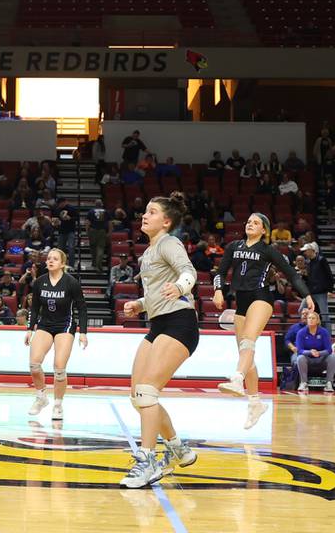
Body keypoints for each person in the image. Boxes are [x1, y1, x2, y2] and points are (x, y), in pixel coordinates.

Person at [119, 193, 199, 489]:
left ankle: (148, 459)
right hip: (158, 323)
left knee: (146, 393)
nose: (144, 215)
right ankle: (179, 449)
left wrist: (180, 287)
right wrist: (139, 305)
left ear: (166, 221)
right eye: (145, 211)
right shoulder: (148, 253)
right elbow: (155, 293)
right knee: (138, 398)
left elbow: (188, 272)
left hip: (180, 324)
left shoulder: (169, 243)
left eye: (151, 212)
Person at [213, 213, 313, 419]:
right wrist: (217, 289)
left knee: (248, 343)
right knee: (245, 353)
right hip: (240, 302)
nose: (250, 224)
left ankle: (237, 379)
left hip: (261, 298)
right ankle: (255, 403)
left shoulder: (268, 250)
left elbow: (291, 273)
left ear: (264, 230)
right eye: (248, 221)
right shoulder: (234, 247)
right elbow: (220, 272)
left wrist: (307, 295)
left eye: (255, 223)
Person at [23, 248, 87, 421]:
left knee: (59, 368)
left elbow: (82, 307)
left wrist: (83, 332)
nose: (50, 261)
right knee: (34, 364)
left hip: (65, 325)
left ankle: (58, 405)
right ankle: (41, 396)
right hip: (45, 324)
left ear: (62, 263)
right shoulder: (40, 282)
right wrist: (30, 329)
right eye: (49, 258)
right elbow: (35, 307)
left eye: (55, 259)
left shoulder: (71, 282)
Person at [291, 310, 334, 394]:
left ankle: (329, 383)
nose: (311, 320)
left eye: (313, 318)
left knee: (332, 357)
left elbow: (329, 350)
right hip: (308, 359)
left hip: (321, 359)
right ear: (307, 320)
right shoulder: (301, 332)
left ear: (317, 320)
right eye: (309, 318)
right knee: (300, 357)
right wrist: (310, 352)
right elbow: (300, 350)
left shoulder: (324, 332)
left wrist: (319, 353)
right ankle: (303, 383)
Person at [301, 242, 334, 328]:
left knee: (325, 315)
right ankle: (307, 330)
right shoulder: (308, 262)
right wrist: (304, 276)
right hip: (311, 292)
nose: (305, 253)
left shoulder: (321, 260)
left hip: (320, 292)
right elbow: (310, 277)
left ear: (312, 250)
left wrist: (330, 290)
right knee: (301, 310)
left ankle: (328, 335)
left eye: (306, 251)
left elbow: (329, 274)